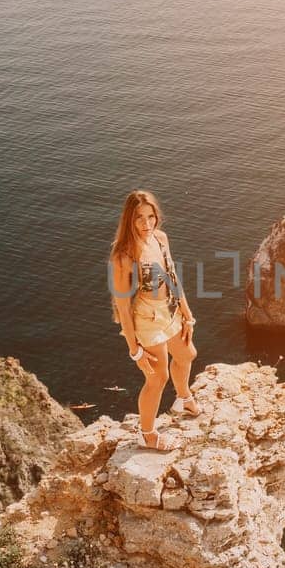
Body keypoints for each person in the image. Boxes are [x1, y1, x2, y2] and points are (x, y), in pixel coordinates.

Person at [108, 189, 201, 449]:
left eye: (150, 216)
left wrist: (187, 312)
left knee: (186, 354)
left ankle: (183, 398)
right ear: (129, 219)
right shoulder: (123, 256)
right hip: (145, 319)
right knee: (157, 377)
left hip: (169, 310)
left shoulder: (160, 239)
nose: (146, 224)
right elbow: (123, 307)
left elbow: (172, 276)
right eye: (139, 218)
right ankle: (147, 434)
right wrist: (134, 350)